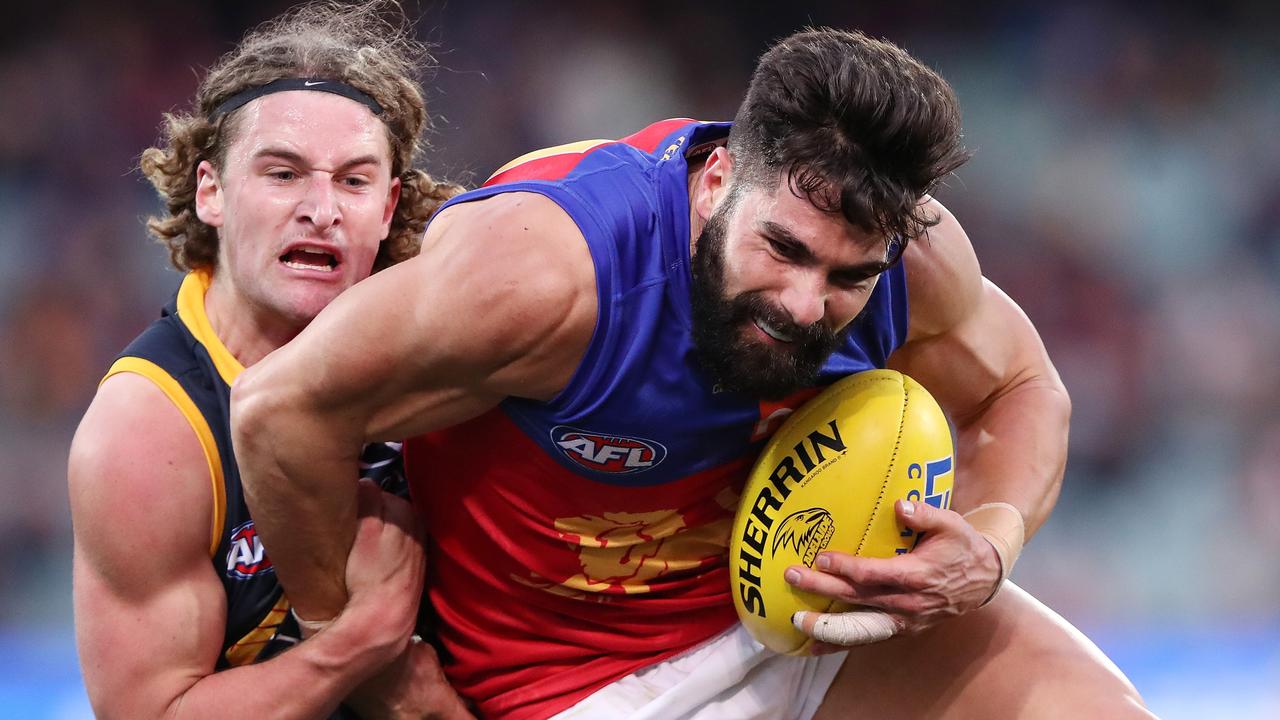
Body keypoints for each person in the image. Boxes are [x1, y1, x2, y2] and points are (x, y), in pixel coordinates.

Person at [232, 27, 1155, 719]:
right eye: (783, 249)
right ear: (716, 180)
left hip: (813, 625)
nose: (802, 304)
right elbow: (278, 411)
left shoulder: (913, 265)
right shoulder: (546, 275)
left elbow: (1022, 391)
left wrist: (988, 548)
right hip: (570, 686)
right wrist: (362, 649)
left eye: (847, 276)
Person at [67, 2, 471, 718]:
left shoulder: (452, 351)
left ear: (389, 207)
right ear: (211, 190)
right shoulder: (147, 433)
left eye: (353, 180)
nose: (322, 209)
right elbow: (151, 712)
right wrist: (357, 647)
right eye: (283, 175)